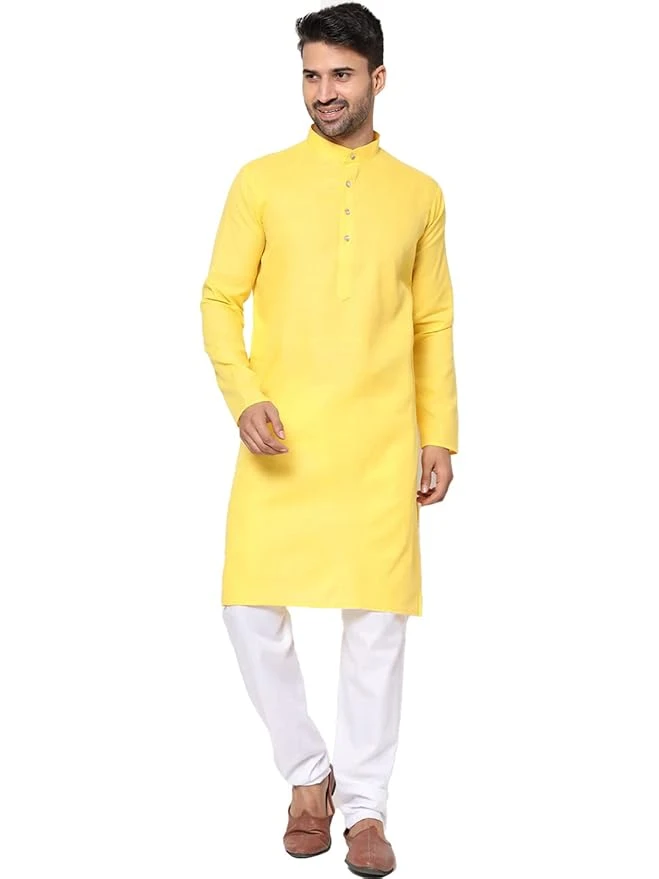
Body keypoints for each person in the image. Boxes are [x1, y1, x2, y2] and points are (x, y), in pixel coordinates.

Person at [199, 3, 458, 875]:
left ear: (377, 78)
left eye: (340, 75)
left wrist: (439, 434)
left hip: (380, 439)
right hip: (280, 438)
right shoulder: (260, 180)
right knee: (246, 608)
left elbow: (431, 320)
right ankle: (308, 775)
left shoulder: (419, 193)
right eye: (311, 75)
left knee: (377, 625)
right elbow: (218, 298)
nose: (323, 92)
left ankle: (366, 810)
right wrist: (243, 397)